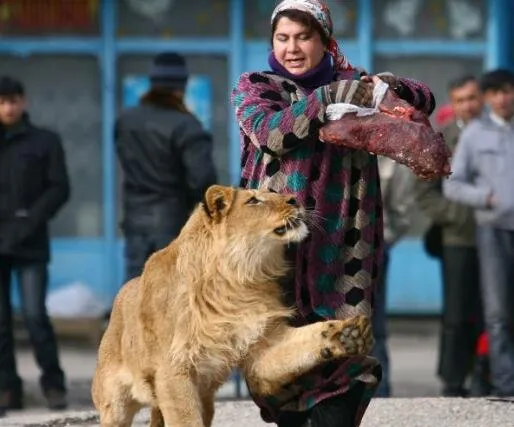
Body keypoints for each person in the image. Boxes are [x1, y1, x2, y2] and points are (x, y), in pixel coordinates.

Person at [231, 1, 435, 426]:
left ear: (325, 41)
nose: (292, 48)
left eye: (303, 37)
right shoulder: (255, 87)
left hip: (345, 244)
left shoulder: (354, 85)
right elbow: (272, 134)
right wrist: (327, 99)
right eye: (282, 38)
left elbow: (424, 99)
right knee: (281, 360)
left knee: (346, 352)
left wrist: (386, 86)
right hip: (276, 253)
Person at [414, 74, 490, 397]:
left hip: (500, 237)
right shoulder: (441, 140)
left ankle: (489, 375)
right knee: (458, 314)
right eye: (461, 100)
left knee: (496, 313)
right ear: (453, 104)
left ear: (482, 99)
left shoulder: (501, 134)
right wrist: (457, 216)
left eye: (473, 98)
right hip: (459, 240)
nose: (468, 106)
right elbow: (425, 193)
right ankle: (453, 378)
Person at [115, 52, 217, 281]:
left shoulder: (126, 120)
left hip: (134, 215)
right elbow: (202, 180)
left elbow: (126, 165)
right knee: (171, 285)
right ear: (181, 86)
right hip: (173, 218)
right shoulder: (187, 125)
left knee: (135, 286)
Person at [0, 76, 69, 412]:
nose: (8, 107)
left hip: (31, 244)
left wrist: (31, 219)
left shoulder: (44, 141)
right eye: (2, 101)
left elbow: (59, 187)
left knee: (34, 316)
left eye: (13, 100)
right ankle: (7, 388)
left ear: (23, 102)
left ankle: (54, 384)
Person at [443, 68, 514, 397]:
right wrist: (485, 198)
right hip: (492, 231)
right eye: (495, 92)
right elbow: (452, 185)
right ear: (488, 98)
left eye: (508, 90)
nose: (502, 98)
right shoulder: (474, 135)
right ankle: (504, 384)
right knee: (497, 312)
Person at [372, 156, 414, 398]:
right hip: (332, 248)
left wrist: (386, 239)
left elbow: (401, 210)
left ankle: (380, 393)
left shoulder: (389, 159)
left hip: (376, 246)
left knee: (375, 326)